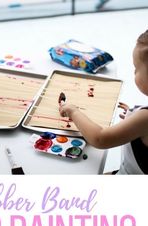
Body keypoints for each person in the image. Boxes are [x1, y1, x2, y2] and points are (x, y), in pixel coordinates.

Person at [59, 31, 148, 174]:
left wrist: (73, 111)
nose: (134, 72)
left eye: (136, 68)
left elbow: (100, 138)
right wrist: (134, 117)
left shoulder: (145, 119)